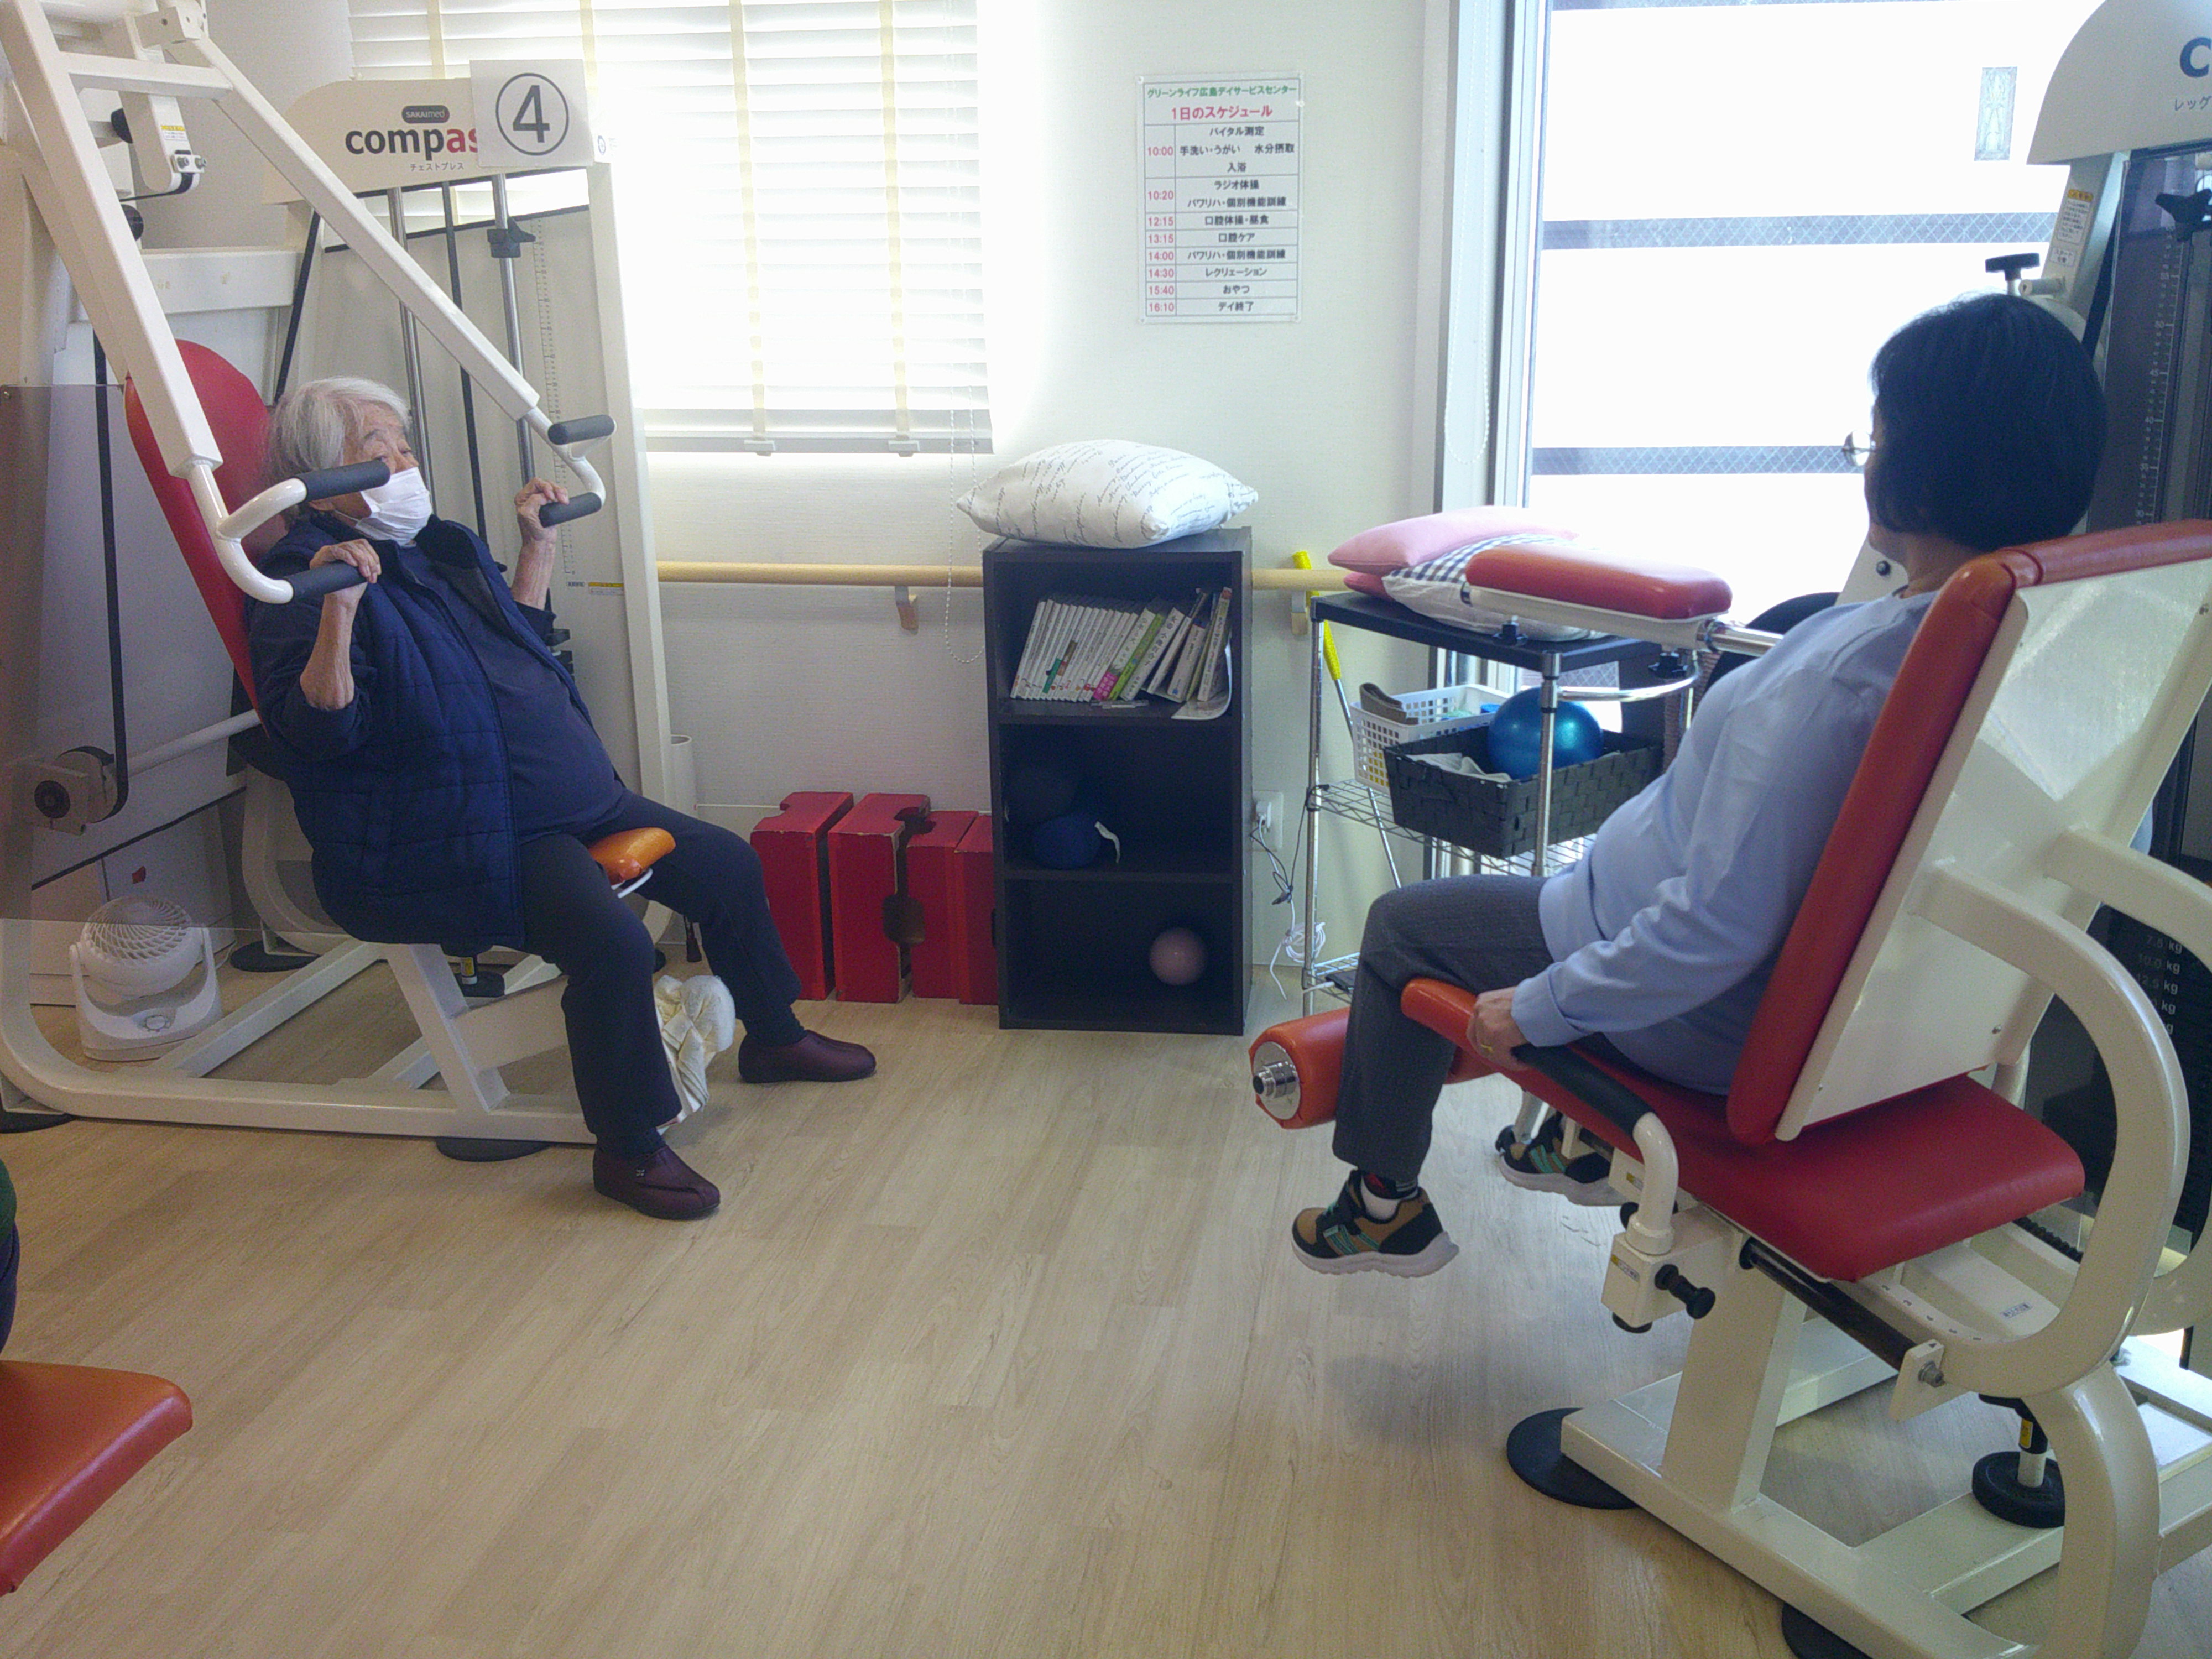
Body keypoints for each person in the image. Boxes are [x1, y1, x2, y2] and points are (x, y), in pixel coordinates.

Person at [1291, 293, 2107, 1276]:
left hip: (1691, 1015)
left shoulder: (1832, 684)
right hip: (1866, 1017)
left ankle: (1381, 1206)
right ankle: (1573, 1145)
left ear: (1921, 475)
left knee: (1401, 928)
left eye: (1879, 440)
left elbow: (1711, 932)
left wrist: (1538, 1010)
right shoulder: (2059, 657)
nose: (1869, 462)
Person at [246, 378, 873, 1222]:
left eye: (405, 445)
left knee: (725, 863)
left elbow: (520, 644)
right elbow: (318, 738)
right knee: (613, 945)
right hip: (473, 833)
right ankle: (629, 1147)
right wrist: (339, 614)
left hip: (575, 800)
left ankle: (775, 1037)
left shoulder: (438, 547)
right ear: (320, 482)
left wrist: (535, 549)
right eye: (375, 451)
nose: (404, 464)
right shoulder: (300, 579)